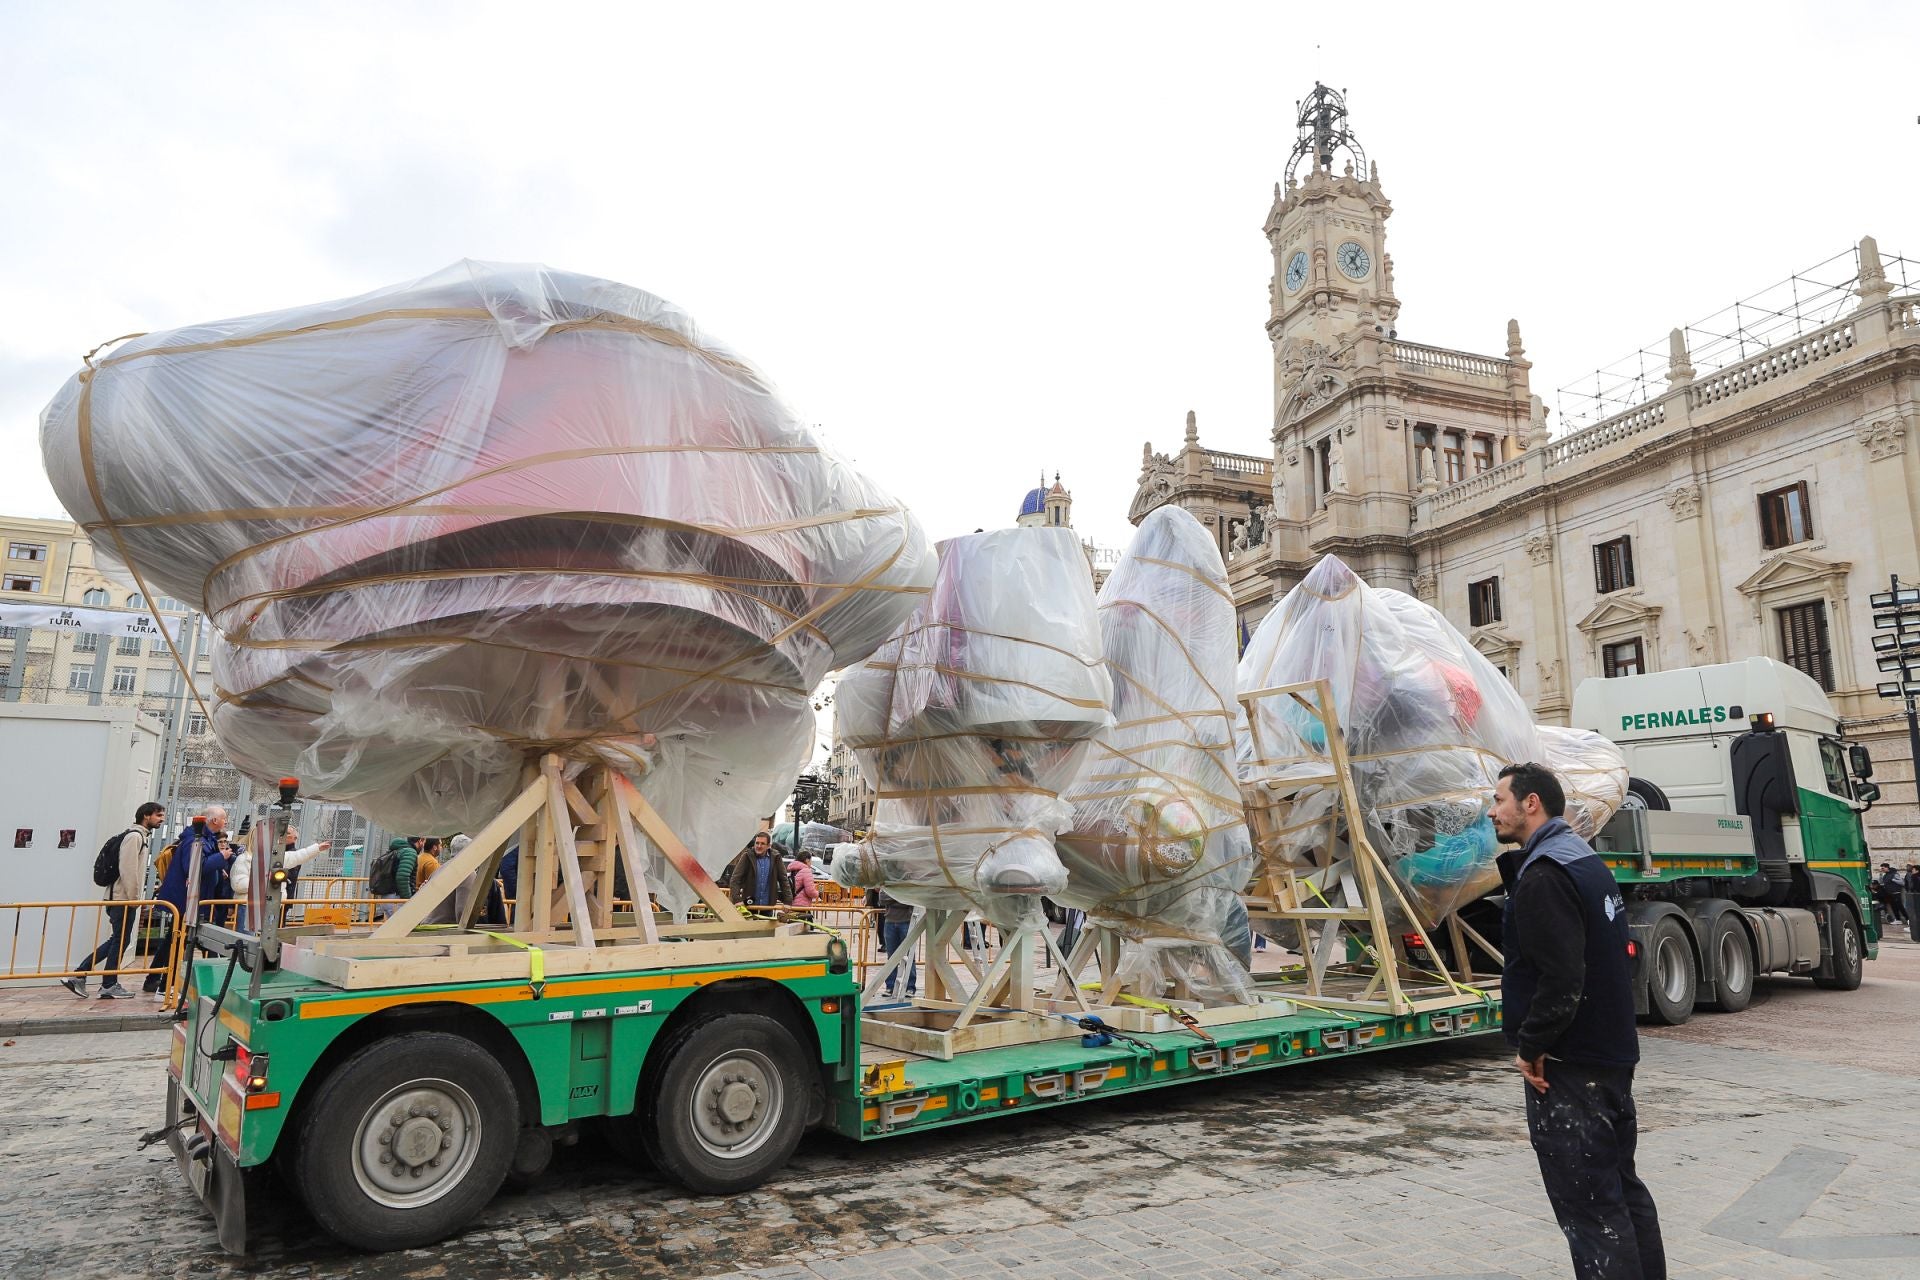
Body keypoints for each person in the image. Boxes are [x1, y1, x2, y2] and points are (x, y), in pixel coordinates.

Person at [1492, 761, 1665, 1280]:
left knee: (1589, 1205)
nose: (1492, 811)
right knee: (1620, 1187)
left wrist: (1530, 1046)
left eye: (1499, 799)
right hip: (1610, 1054)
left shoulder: (1545, 875)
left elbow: (1562, 978)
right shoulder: (1584, 861)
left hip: (1572, 1066)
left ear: (1530, 804)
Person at [64, 801, 166, 1000]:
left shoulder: (138, 836)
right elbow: (128, 870)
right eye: (158, 815)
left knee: (118, 940)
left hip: (121, 898)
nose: (161, 820)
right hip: (123, 899)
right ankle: (107, 983)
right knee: (120, 941)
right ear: (146, 816)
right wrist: (135, 899)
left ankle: (81, 975)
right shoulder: (135, 837)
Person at [147, 809, 223, 999]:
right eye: (224, 818)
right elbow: (196, 866)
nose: (226, 822)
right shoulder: (195, 840)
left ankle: (157, 980)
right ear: (214, 820)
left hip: (190, 900)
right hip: (187, 900)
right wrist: (222, 858)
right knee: (181, 940)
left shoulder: (203, 839)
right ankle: (165, 986)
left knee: (175, 939)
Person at [229, 827, 332, 931]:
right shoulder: (243, 859)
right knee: (248, 940)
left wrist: (317, 848)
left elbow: (297, 856)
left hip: (271, 906)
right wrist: (265, 880)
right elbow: (238, 884)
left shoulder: (275, 858)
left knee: (268, 939)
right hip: (250, 906)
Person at [867, 887, 916, 998]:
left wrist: (893, 898)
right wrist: (899, 897)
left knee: (909, 956)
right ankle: (890, 986)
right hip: (889, 922)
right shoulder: (887, 883)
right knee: (891, 957)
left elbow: (909, 899)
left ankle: (910, 987)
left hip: (906, 922)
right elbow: (882, 898)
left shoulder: (906, 882)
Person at [725, 832, 794, 908]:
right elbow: (735, 879)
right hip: (749, 905)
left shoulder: (776, 857)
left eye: (762, 843)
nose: (759, 846)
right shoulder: (747, 856)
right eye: (757, 843)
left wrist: (788, 901)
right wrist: (737, 900)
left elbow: (783, 880)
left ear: (768, 846)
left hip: (768, 906)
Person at [394, 836, 441, 900]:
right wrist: (408, 899)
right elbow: (434, 886)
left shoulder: (418, 857)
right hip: (417, 899)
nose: (441, 848)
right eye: (440, 845)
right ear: (435, 847)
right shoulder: (432, 862)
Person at [787, 847, 819, 916]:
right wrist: (817, 893)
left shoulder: (793, 871)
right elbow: (810, 891)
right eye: (810, 861)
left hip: (792, 904)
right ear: (807, 860)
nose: (811, 863)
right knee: (807, 925)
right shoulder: (806, 871)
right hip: (802, 906)